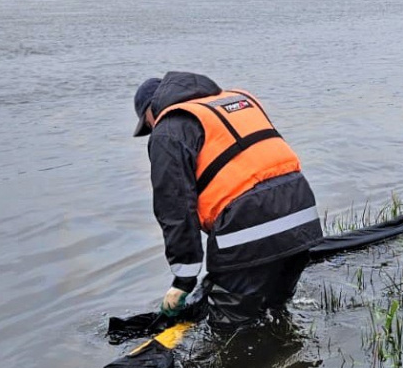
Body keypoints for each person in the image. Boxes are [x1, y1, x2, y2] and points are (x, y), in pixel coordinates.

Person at [132, 71, 324, 330]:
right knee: (274, 309)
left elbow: (175, 209)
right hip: (302, 218)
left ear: (151, 110)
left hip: (247, 227)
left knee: (230, 328)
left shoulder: (168, 130)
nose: (152, 129)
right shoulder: (237, 101)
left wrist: (183, 281)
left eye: (147, 125)